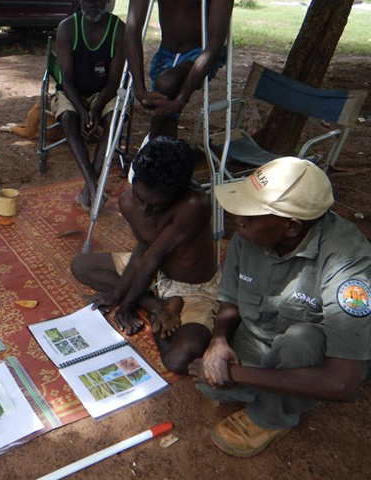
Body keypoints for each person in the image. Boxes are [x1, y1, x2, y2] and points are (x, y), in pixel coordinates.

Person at [188, 157, 371, 457]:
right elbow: (231, 298)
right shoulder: (248, 236)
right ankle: (288, 386)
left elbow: (343, 383)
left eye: (252, 215)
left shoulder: (348, 264)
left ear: (291, 227)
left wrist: (237, 375)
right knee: (210, 382)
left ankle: (270, 417)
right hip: (261, 338)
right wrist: (219, 341)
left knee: (300, 341)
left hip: (311, 353)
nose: (239, 220)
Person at [71, 137, 219, 374]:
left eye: (156, 206)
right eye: (140, 198)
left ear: (178, 193)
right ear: (134, 180)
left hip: (194, 288)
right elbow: (143, 250)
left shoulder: (195, 203)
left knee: (178, 359)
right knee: (81, 266)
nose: (144, 210)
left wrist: (127, 304)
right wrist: (116, 295)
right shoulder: (128, 202)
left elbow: (153, 256)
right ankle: (156, 306)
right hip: (156, 273)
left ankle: (154, 305)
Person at [52, 0, 125, 211]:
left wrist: (95, 108)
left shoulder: (119, 30)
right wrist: (83, 110)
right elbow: (65, 78)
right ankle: (94, 185)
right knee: (68, 118)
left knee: (115, 121)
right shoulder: (67, 28)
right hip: (73, 91)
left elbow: (113, 82)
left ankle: (89, 188)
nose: (92, 3)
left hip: (105, 92)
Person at [125, 0, 233, 139]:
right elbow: (132, 28)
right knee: (165, 94)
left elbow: (213, 47)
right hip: (166, 53)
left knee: (167, 84)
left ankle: (153, 146)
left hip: (202, 53)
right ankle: (163, 147)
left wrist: (181, 99)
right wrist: (139, 89)